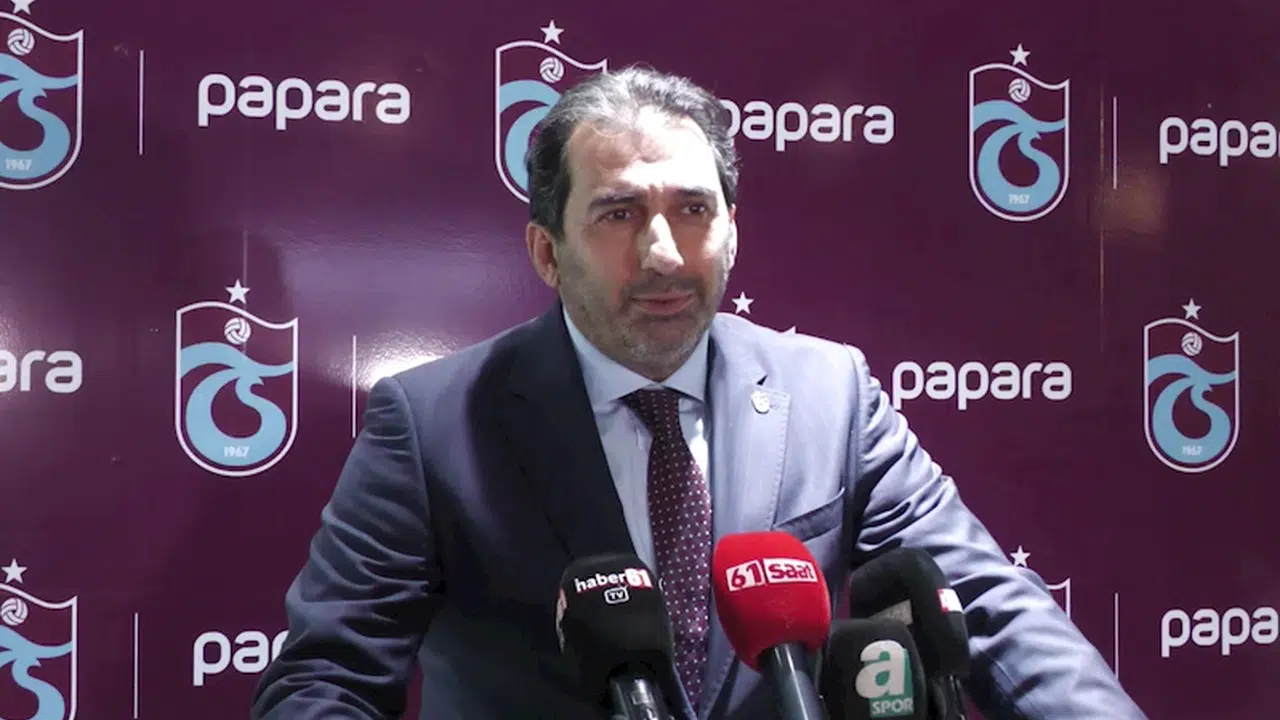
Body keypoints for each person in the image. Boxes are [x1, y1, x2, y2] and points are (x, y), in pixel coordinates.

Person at [251, 65, 1148, 719]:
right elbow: (326, 679)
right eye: (618, 214)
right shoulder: (431, 425)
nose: (664, 254)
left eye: (692, 209)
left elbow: (988, 608)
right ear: (546, 251)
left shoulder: (831, 394)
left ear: (732, 231)